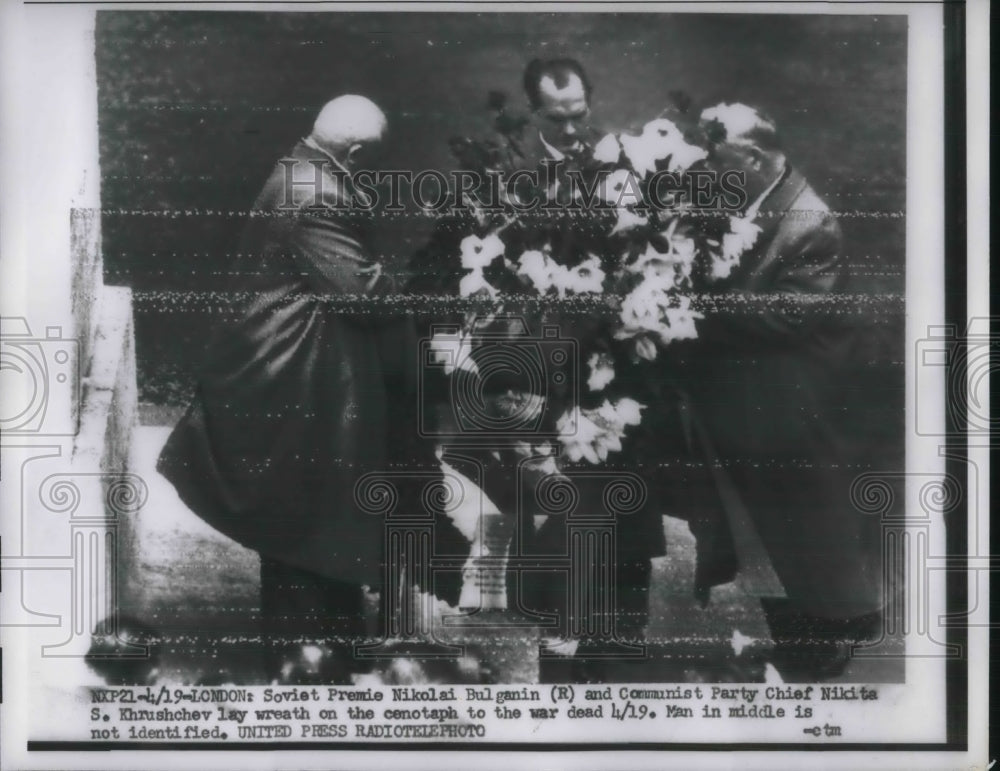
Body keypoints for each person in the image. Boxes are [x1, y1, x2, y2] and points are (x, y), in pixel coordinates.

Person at [157, 95, 429, 684]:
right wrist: (418, 292)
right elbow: (358, 291)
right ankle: (307, 670)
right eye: (369, 162)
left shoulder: (300, 172)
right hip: (295, 377)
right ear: (355, 153)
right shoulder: (318, 195)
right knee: (305, 516)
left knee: (311, 512)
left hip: (298, 369)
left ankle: (329, 651)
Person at [669, 103, 888, 680]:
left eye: (722, 164)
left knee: (803, 529)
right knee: (773, 530)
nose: (713, 176)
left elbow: (790, 317)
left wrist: (701, 301)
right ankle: (818, 633)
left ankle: (826, 640)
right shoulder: (757, 196)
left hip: (796, 404)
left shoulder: (810, 220)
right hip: (758, 401)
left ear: (756, 157)